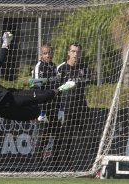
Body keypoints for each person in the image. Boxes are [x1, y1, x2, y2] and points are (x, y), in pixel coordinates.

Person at [54, 42, 89, 170]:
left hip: (81, 108)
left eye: (78, 51)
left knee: (86, 136)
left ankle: (86, 164)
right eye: (73, 51)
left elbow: (83, 88)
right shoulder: (61, 68)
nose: (75, 54)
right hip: (65, 108)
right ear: (68, 53)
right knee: (64, 137)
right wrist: (59, 109)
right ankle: (60, 164)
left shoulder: (84, 68)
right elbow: (55, 89)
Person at [31, 43, 58, 123]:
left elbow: (56, 84)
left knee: (54, 133)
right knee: (41, 133)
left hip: (53, 106)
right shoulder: (39, 67)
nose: (48, 55)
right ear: (41, 55)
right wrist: (41, 110)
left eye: (49, 53)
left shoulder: (53, 66)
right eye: (45, 53)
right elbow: (35, 88)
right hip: (41, 109)